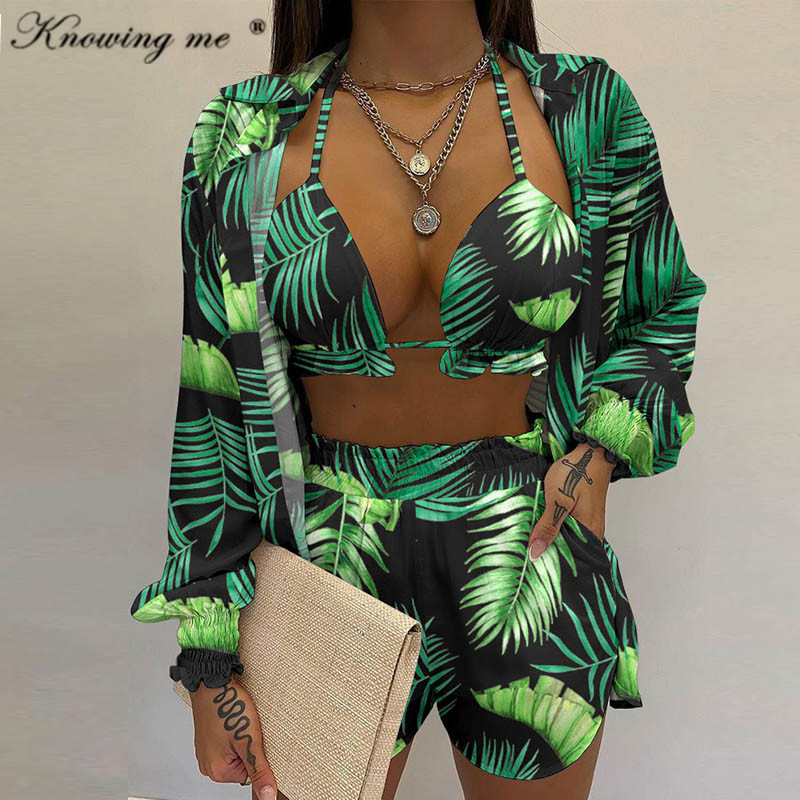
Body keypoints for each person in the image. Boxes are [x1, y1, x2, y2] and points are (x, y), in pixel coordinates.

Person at [130, 2, 707, 798]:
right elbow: (213, 398)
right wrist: (208, 658)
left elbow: (660, 304)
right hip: (323, 555)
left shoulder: (586, 108)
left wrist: (599, 453)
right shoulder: (244, 131)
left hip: (528, 550)